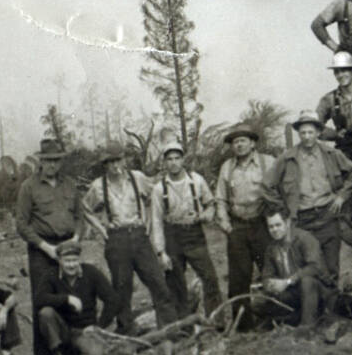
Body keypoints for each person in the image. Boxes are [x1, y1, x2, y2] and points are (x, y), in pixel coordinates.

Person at [82, 147, 177, 335]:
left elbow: (154, 195)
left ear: (123, 160)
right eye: (110, 162)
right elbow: (84, 208)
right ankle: (127, 333)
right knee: (122, 288)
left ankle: (170, 331)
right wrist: (102, 229)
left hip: (140, 236)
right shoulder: (97, 186)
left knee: (158, 282)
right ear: (105, 165)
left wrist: (149, 222)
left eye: (117, 160)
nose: (115, 165)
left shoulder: (138, 178)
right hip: (116, 239)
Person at [14, 137, 85, 355]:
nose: (52, 165)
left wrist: (75, 239)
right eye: (48, 160)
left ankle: (72, 349)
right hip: (42, 249)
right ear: (40, 161)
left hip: (67, 247)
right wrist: (46, 248)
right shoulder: (28, 187)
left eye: (56, 160)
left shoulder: (70, 184)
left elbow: (80, 217)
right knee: (43, 298)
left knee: (70, 294)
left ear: (60, 162)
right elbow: (22, 225)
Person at [152, 138, 222, 318]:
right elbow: (156, 221)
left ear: (183, 160)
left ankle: (215, 320)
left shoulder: (196, 180)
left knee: (210, 278)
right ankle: (183, 323)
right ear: (165, 162)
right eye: (169, 159)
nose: (174, 163)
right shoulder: (159, 189)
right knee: (175, 283)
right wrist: (161, 252)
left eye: (177, 158)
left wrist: (206, 215)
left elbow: (211, 204)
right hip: (172, 237)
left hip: (194, 234)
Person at [273, 114, 352, 264]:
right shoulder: (287, 158)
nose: (307, 137)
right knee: (309, 265)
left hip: (328, 214)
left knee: (331, 266)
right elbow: (268, 186)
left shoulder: (332, 154)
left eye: (311, 132)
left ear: (318, 133)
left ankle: (332, 288)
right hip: (303, 219)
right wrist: (284, 208)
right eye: (303, 133)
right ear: (298, 134)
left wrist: (342, 196)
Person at [217, 124, 278, 308]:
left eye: (243, 140)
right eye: (235, 142)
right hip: (238, 226)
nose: (239, 145)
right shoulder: (227, 167)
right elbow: (220, 198)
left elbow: (280, 192)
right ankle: (243, 326)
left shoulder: (268, 162)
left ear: (252, 143)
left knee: (271, 270)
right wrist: (225, 222)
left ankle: (276, 317)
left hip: (263, 224)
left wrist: (277, 221)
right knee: (238, 277)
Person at [36, 240, 115, 355]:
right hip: (63, 330)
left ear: (79, 259)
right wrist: (66, 299)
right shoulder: (51, 275)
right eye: (67, 261)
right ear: (59, 260)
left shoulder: (91, 272)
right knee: (46, 313)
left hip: (85, 330)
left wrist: (98, 326)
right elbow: (39, 299)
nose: (71, 265)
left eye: (74, 260)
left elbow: (112, 299)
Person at [251, 211, 329, 330]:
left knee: (306, 281)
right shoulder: (271, 248)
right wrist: (271, 285)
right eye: (271, 227)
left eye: (278, 225)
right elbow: (266, 275)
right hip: (292, 293)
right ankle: (296, 318)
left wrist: (288, 281)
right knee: (257, 304)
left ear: (287, 223)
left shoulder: (304, 238)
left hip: (316, 291)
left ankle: (306, 326)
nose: (275, 230)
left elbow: (315, 267)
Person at [318, 52, 352, 162]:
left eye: (344, 70)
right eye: (337, 72)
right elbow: (314, 124)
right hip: (345, 148)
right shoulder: (329, 99)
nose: (340, 75)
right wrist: (334, 135)